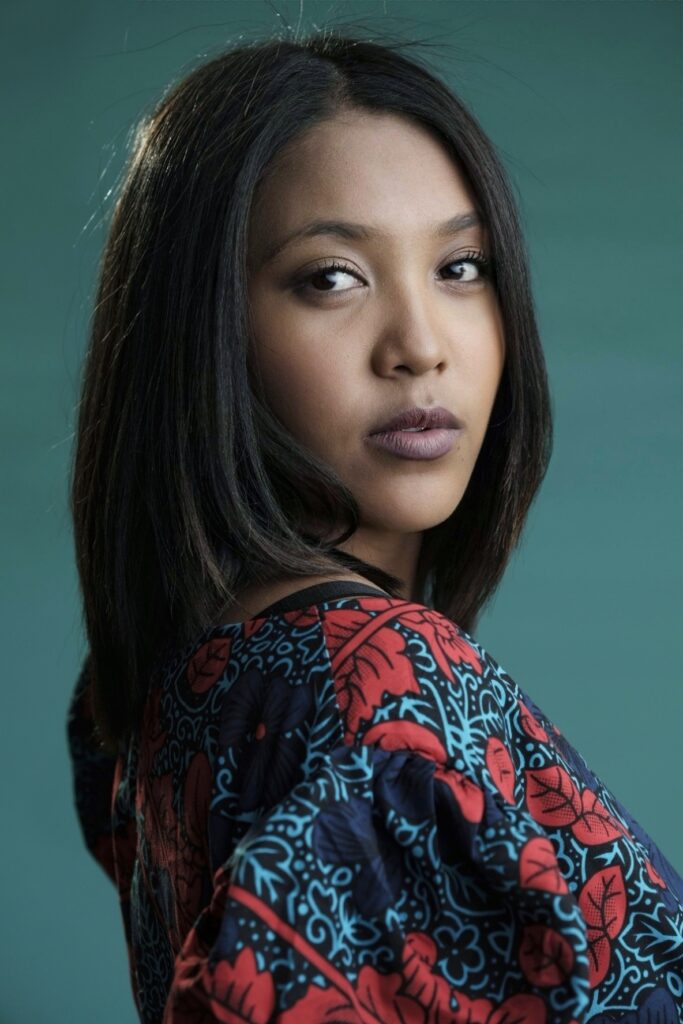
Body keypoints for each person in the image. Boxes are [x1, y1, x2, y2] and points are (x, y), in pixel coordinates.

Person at [66, 28, 683, 1024]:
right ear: (202, 329)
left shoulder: (160, 686)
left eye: (461, 266)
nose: (419, 345)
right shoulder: (380, 679)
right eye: (331, 278)